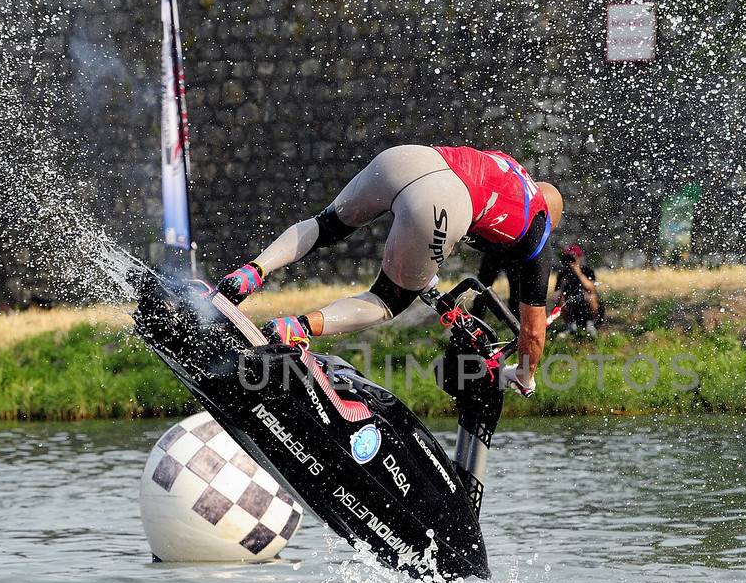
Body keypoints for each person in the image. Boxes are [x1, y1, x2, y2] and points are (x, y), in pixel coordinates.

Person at [217, 144, 564, 396]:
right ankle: (294, 327)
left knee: (326, 225)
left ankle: (252, 271)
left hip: (410, 158)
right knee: (388, 300)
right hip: (443, 200)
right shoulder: (537, 230)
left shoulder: (509, 167)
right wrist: (525, 375)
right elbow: (533, 334)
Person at [552, 244, 603, 338]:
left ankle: (590, 323)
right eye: (568, 259)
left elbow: (592, 289)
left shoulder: (587, 271)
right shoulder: (563, 273)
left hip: (586, 304)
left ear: (579, 258)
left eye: (573, 258)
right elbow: (555, 295)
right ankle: (570, 326)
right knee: (560, 298)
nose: (570, 262)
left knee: (590, 296)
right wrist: (563, 283)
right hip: (570, 304)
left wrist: (578, 273)